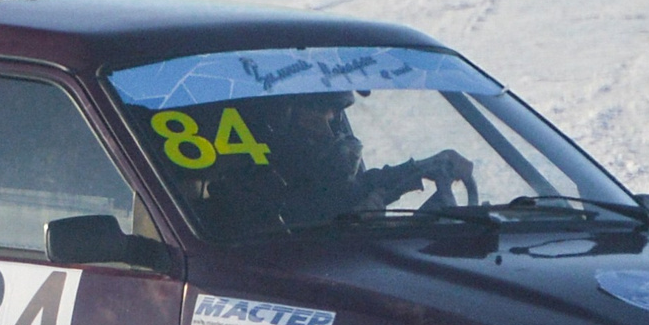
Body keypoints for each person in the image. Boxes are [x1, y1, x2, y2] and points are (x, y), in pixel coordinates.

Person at [191, 91, 479, 234]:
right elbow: (300, 220)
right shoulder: (248, 189)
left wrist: (424, 167)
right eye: (319, 114)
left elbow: (346, 189)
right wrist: (354, 217)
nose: (333, 131)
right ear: (280, 121)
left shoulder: (307, 171)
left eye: (336, 117)